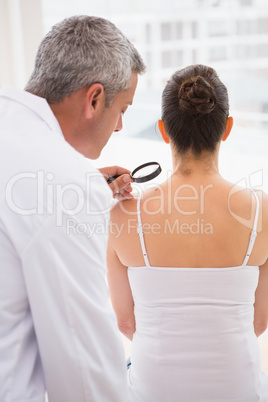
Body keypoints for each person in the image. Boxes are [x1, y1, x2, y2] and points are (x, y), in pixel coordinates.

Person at [0, 15, 145, 402]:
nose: (117, 129)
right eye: (122, 110)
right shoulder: (65, 186)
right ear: (94, 98)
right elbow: (87, 379)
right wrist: (71, 188)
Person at [107, 64, 268, 401]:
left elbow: (125, 322)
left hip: (155, 390)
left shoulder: (123, 214)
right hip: (240, 388)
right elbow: (259, 319)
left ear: (164, 131)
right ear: (227, 128)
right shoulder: (261, 210)